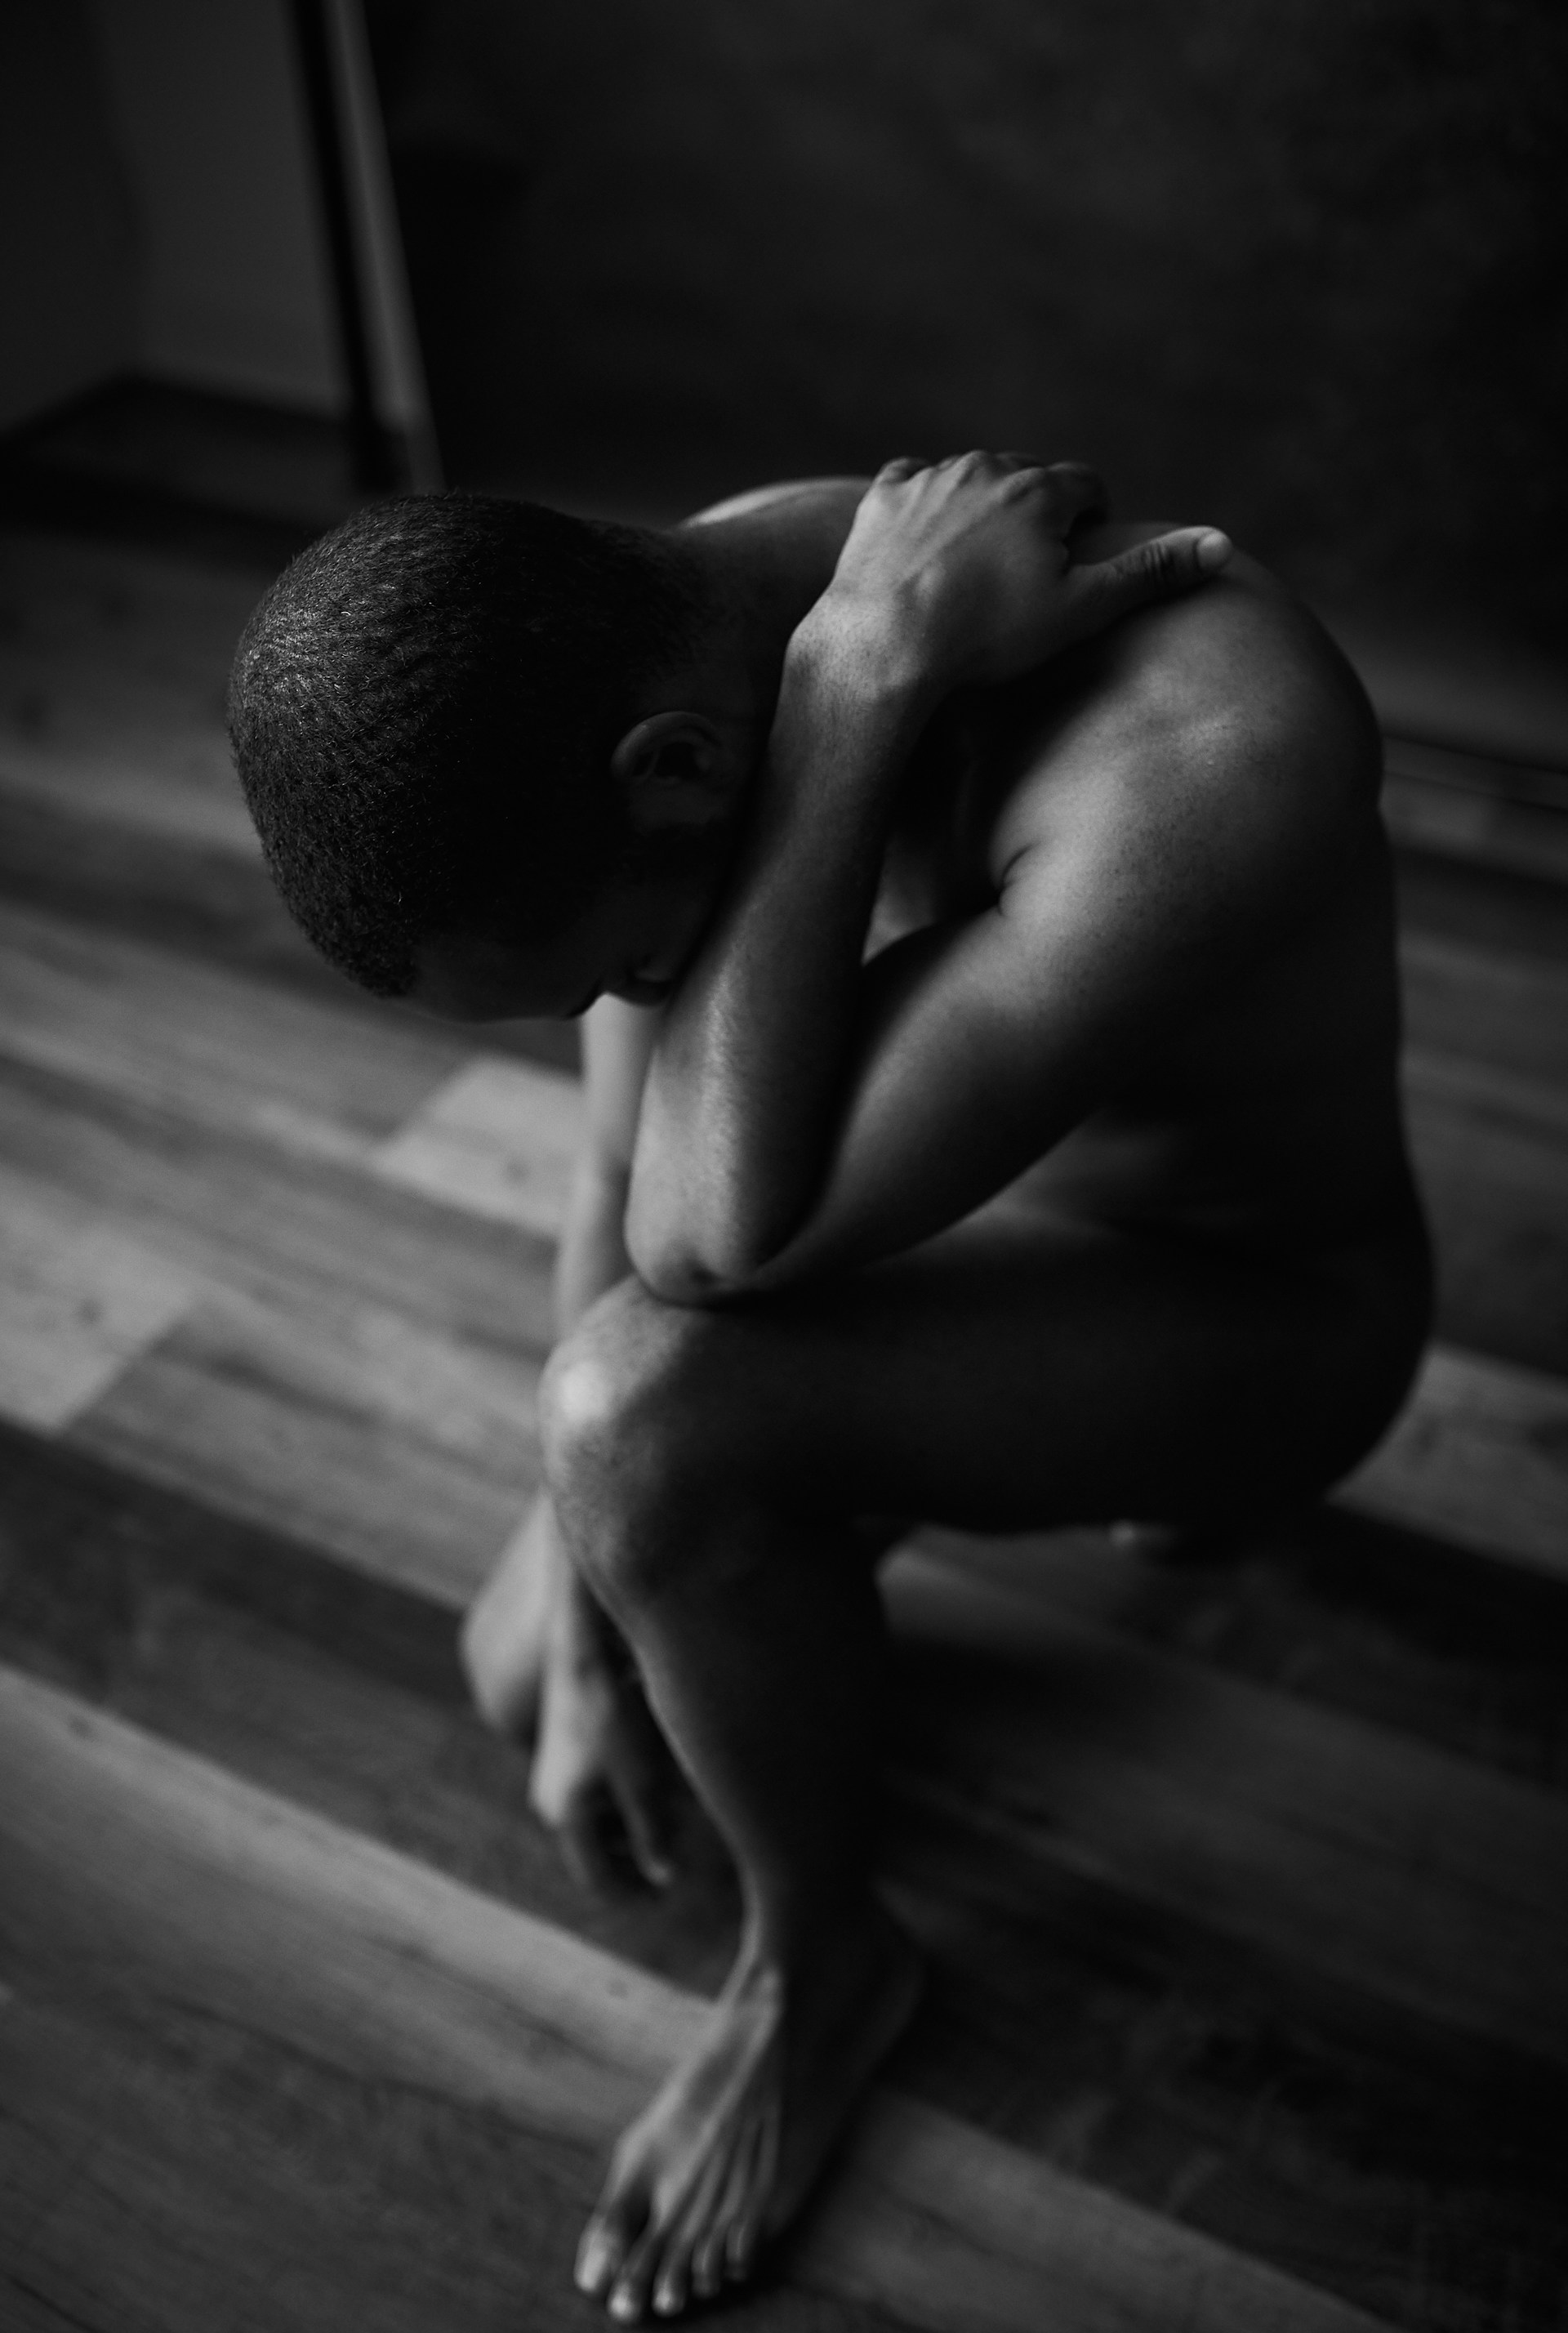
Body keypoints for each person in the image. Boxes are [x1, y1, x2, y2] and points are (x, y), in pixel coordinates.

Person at [228, 456, 1431, 2322]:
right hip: (922, 1241)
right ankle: (757, 1562)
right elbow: (613, 1192)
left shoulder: (1203, 734)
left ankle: (823, 1970)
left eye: (624, 960)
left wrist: (858, 685)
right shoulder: (695, 631)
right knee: (533, 1634)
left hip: (1258, 1323)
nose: (634, 989)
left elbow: (699, 1251)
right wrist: (600, 1610)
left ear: (681, 773)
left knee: (634, 1426)